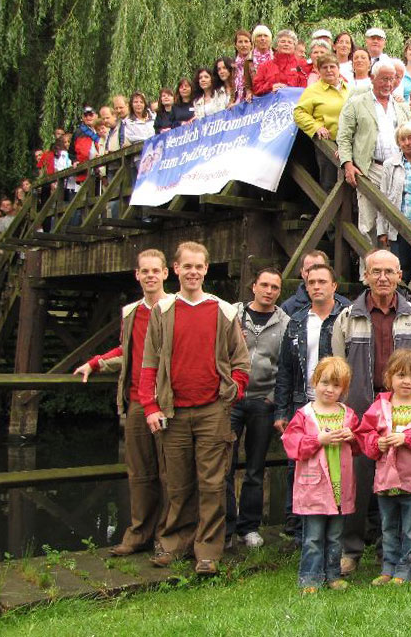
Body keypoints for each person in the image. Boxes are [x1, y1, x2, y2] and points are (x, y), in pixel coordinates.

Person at [140, 242, 251, 575]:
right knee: (176, 482)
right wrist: (150, 405)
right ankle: (174, 544)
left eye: (198, 267)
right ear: (175, 269)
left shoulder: (223, 311)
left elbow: (242, 362)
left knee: (213, 483)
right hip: (172, 410)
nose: (192, 272)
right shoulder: (162, 311)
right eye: (186, 266)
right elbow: (148, 363)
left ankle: (208, 551)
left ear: (206, 269)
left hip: (212, 410)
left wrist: (232, 392)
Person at [331, 249, 411, 574]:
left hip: (401, 410)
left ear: (400, 276)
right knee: (355, 482)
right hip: (361, 409)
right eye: (376, 272)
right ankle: (351, 549)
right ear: (366, 276)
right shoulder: (348, 316)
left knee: (399, 482)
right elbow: (337, 367)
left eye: (390, 271)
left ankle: (394, 553)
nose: (383, 278)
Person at [73, 249, 172, 556]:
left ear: (167, 273)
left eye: (156, 270)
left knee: (170, 472)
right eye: (146, 271)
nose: (151, 275)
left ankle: (166, 536)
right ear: (138, 275)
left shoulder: (176, 307)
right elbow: (125, 351)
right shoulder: (131, 312)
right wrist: (95, 363)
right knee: (140, 471)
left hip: (169, 400)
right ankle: (138, 532)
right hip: (137, 400)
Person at [274, 263, 348, 538]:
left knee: (333, 467)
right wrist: (281, 410)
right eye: (311, 282)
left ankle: (332, 528)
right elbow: (284, 369)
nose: (316, 286)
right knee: (299, 466)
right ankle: (296, 528)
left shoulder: (345, 317)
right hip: (301, 403)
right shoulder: (296, 320)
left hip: (335, 404)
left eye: (322, 282)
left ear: (334, 286)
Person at [355, 349, 411, 585]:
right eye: (401, 375)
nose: (407, 381)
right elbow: (364, 433)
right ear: (389, 378)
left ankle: (407, 570)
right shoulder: (380, 406)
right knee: (388, 527)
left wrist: (407, 439)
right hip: (385, 479)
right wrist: (377, 442)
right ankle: (388, 568)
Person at [282, 357, 360, 593]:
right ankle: (310, 578)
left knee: (335, 536)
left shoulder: (348, 415)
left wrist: (352, 436)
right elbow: (292, 445)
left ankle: (333, 575)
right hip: (314, 488)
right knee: (313, 537)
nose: (330, 389)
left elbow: (361, 446)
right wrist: (318, 440)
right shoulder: (305, 414)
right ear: (315, 382)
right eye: (325, 382)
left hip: (339, 486)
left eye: (336, 386)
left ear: (343, 389)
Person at [225, 268, 289, 550]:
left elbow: (287, 365)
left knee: (255, 467)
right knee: (223, 465)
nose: (269, 291)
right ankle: (224, 525)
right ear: (253, 286)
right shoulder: (232, 314)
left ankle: (248, 527)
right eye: (264, 285)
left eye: (275, 287)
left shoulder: (285, 322)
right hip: (231, 399)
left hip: (263, 400)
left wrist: (274, 398)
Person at [336, 61, 411, 246]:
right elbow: (344, 136)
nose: (388, 84)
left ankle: (391, 270)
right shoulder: (356, 103)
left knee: (395, 222)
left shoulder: (402, 107)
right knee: (368, 222)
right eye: (384, 79)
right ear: (372, 78)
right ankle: (366, 272)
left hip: (396, 169)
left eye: (392, 79)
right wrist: (347, 164)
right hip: (369, 168)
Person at [294, 52, 350, 193]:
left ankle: (351, 214)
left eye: (332, 66)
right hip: (327, 141)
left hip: (349, 142)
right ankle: (331, 214)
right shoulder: (313, 90)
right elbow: (298, 113)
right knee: (329, 180)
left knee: (350, 179)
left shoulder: (349, 89)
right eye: (325, 67)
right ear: (319, 71)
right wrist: (316, 126)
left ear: (339, 69)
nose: (329, 70)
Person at [379, 121, 411, 277]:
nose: (407, 143)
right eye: (403, 140)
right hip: (399, 226)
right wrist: (382, 230)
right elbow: (383, 198)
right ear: (398, 143)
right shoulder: (390, 165)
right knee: (401, 268)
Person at [281, 250, 351, 316]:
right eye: (308, 270)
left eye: (319, 268)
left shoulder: (345, 307)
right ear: (302, 273)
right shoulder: (288, 308)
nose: (314, 273)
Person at [252, 29, 310, 96]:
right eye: (283, 41)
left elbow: (306, 89)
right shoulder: (264, 66)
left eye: (290, 42)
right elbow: (256, 88)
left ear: (294, 47)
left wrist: (290, 90)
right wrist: (270, 87)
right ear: (277, 45)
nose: (286, 44)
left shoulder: (302, 66)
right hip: (270, 104)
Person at [232, 29, 253, 102]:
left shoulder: (255, 62)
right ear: (235, 45)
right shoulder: (232, 66)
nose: (243, 45)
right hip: (234, 107)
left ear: (251, 44)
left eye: (246, 41)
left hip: (252, 103)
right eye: (240, 42)